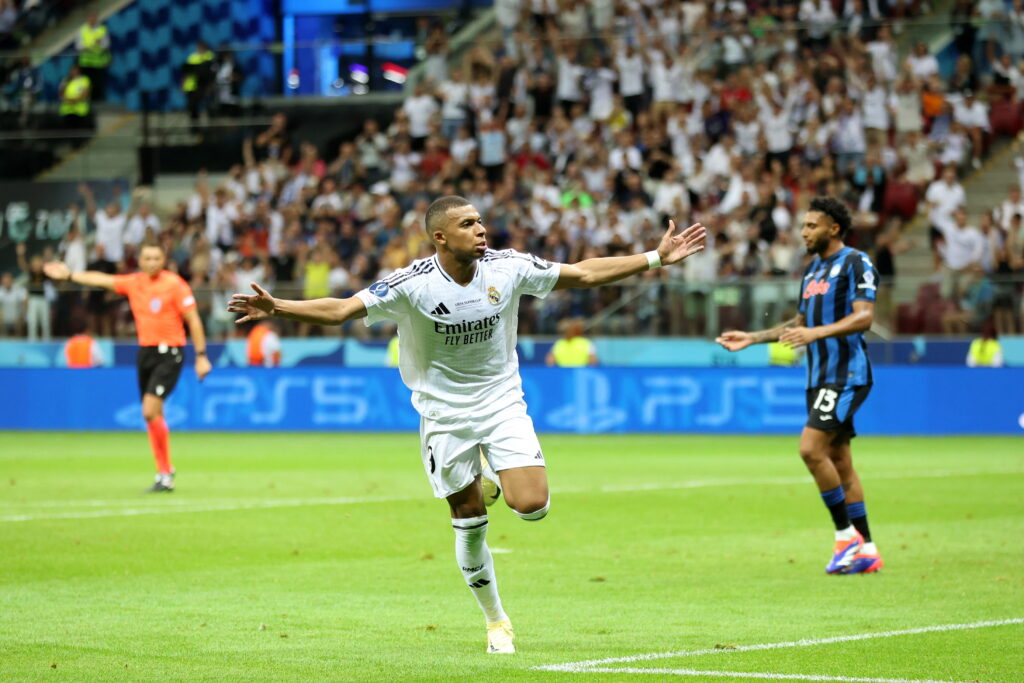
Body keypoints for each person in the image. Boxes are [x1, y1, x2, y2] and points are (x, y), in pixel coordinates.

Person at [228, 195, 706, 653]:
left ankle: (495, 478)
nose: (481, 231)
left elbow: (582, 274)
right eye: (468, 225)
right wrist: (280, 307)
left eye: (480, 222)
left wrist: (654, 258)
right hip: (443, 417)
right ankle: (496, 621)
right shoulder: (412, 284)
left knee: (533, 505)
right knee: (471, 524)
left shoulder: (507, 266)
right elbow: (341, 309)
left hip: (501, 404)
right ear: (440, 237)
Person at [716, 197, 883, 576]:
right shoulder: (812, 271)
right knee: (839, 460)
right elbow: (800, 322)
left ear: (833, 229)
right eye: (803, 226)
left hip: (846, 374)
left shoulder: (857, 262)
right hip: (818, 376)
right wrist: (753, 338)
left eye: (811, 226)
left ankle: (846, 537)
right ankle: (868, 549)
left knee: (810, 450)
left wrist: (816, 333)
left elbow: (865, 317)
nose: (803, 232)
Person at [44, 242, 212, 492]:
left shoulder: (175, 285)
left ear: (163, 260)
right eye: (148, 258)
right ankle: (164, 472)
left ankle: (165, 472)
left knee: (148, 410)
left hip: (170, 352)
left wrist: (201, 355)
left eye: (157, 258)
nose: (152, 262)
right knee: (154, 415)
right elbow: (102, 279)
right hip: (145, 353)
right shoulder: (135, 282)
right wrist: (70, 275)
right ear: (140, 261)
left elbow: (193, 320)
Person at [76, 12, 110, 101]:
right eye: (90, 18)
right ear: (87, 19)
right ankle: (85, 99)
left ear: (96, 18)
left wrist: (100, 43)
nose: (92, 20)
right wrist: (89, 46)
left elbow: (106, 44)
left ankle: (97, 101)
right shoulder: (82, 30)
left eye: (94, 18)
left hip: (98, 62)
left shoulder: (102, 29)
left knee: (97, 83)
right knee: (85, 83)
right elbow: (78, 46)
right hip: (85, 62)